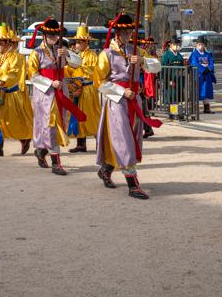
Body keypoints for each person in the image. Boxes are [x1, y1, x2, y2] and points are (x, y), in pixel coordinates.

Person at [95, 13, 162, 199]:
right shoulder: (106, 54)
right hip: (117, 100)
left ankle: (106, 169)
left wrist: (141, 61)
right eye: (123, 32)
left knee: (131, 138)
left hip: (135, 101)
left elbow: (156, 66)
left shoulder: (137, 50)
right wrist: (121, 92)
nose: (127, 35)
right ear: (116, 33)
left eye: (129, 31)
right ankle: (133, 185)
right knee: (123, 139)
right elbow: (99, 82)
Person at [26, 17, 87, 175]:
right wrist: (49, 83)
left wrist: (67, 54)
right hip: (45, 94)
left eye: (56, 35)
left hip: (61, 91)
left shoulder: (60, 50)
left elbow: (77, 63)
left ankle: (42, 150)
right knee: (50, 124)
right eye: (52, 35)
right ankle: (56, 162)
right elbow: (32, 75)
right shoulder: (36, 53)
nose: (55, 38)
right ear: (44, 36)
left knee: (59, 123)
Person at [0, 24, 33, 157]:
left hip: (9, 94)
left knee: (12, 122)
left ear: (8, 43)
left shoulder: (17, 57)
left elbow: (14, 73)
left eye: (0, 42)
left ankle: (24, 138)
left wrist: (3, 80)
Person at [66, 25, 101, 153]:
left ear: (86, 42)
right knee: (77, 114)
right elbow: (70, 70)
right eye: (76, 41)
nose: (77, 44)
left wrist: (78, 65)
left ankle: (100, 142)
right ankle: (81, 143)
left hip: (87, 89)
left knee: (91, 115)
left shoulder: (92, 56)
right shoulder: (75, 55)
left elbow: (93, 70)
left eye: (80, 41)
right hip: (76, 88)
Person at [160, 36, 185, 119]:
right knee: (171, 97)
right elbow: (163, 69)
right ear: (170, 45)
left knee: (178, 98)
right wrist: (167, 80)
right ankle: (172, 113)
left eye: (177, 44)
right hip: (170, 80)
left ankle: (178, 113)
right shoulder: (166, 55)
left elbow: (182, 66)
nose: (176, 46)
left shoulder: (179, 55)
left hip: (178, 79)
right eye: (174, 44)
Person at [189, 36, 216, 114]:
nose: (201, 46)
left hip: (207, 76)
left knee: (206, 92)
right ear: (197, 45)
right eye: (199, 44)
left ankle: (206, 108)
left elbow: (211, 63)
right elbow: (194, 63)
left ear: (204, 45)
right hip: (199, 76)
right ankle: (194, 109)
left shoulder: (208, 54)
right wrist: (203, 70)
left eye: (202, 44)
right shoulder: (194, 54)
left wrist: (209, 69)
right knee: (197, 91)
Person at [139, 37, 159, 138]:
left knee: (142, 107)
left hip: (140, 84)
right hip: (138, 82)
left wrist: (142, 61)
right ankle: (147, 129)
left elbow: (155, 63)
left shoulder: (142, 53)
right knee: (142, 107)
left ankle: (148, 128)